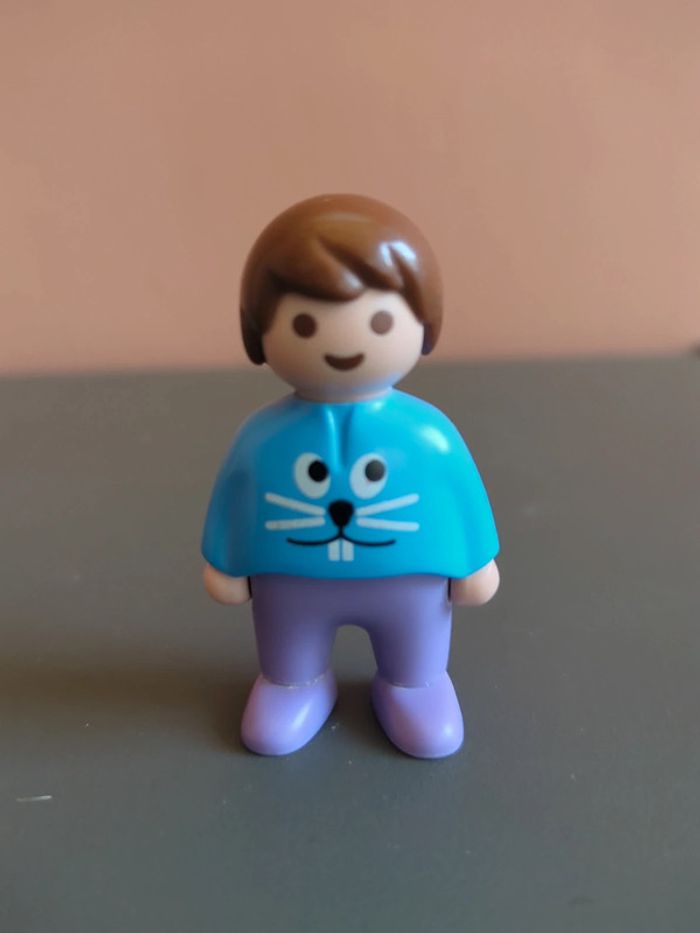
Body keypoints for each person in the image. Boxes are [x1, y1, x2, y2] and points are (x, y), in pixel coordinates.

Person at [202, 193, 500, 758]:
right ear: (258, 331)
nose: (342, 342)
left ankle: (415, 685)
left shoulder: (428, 435)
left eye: (381, 320)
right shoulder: (262, 437)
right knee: (288, 651)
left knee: (415, 650)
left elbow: (460, 493)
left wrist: (474, 562)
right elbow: (236, 492)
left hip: (409, 577)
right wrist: (225, 561)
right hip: (290, 578)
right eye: (304, 322)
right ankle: (293, 683)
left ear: (425, 324)